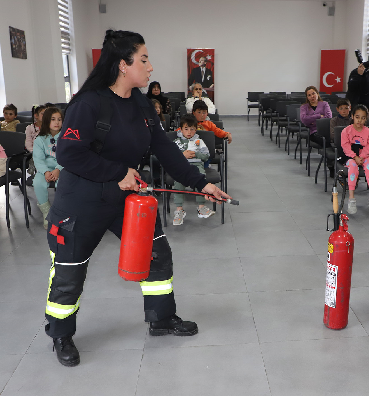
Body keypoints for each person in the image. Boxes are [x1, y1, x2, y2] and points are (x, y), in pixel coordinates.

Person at [43, 29, 230, 367]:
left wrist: (199, 183)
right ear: (122, 65)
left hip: (126, 199)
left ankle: (161, 319)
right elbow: (69, 155)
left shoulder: (141, 103)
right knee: (70, 269)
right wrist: (118, 172)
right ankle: (60, 332)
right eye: (143, 59)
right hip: (82, 202)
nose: (150, 67)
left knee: (156, 255)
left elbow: (162, 146)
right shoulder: (89, 103)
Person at [172, 114, 215, 225]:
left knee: (201, 180)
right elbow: (170, 157)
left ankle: (201, 207)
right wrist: (182, 155)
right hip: (181, 167)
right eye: (186, 129)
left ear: (196, 129)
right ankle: (179, 210)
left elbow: (206, 156)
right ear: (181, 129)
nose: (189, 132)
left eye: (192, 129)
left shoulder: (199, 142)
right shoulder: (176, 142)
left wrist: (196, 154)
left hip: (197, 166)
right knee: (178, 182)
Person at [340, 105, 369, 214]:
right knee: (353, 166)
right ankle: (351, 198)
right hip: (350, 156)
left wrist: (361, 157)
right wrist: (355, 157)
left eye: (363, 118)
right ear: (352, 116)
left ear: (366, 118)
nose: (360, 120)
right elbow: (345, 146)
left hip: (364, 156)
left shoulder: (368, 132)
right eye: (357, 117)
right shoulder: (346, 131)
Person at [33, 107, 64, 229]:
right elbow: (38, 159)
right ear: (46, 121)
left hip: (63, 168)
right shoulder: (40, 140)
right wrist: (46, 172)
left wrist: (58, 169)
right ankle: (47, 212)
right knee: (38, 182)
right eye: (53, 119)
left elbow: (68, 156)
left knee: (63, 183)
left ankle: (62, 212)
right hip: (45, 169)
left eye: (59, 119)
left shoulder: (66, 137)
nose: (57, 122)